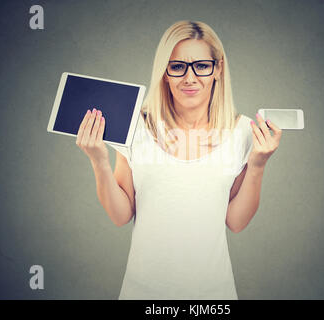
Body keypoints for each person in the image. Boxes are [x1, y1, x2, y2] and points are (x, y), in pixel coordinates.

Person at [76, 20, 282, 300]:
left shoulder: (242, 131)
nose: (190, 78)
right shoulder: (136, 127)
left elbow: (235, 221)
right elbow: (120, 215)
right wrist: (98, 162)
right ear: (164, 73)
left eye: (201, 66)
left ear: (218, 69)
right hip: (143, 293)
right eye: (177, 67)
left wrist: (258, 165)